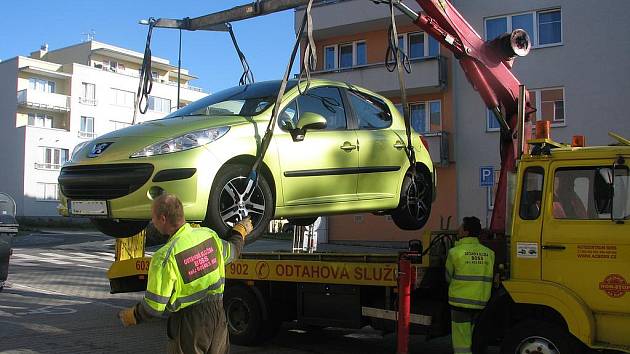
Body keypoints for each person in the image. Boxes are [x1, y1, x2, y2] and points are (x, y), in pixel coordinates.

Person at [118, 193, 253, 354]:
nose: (152, 222)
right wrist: (240, 230)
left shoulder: (165, 257)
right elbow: (233, 251)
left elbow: (154, 306)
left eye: (152, 218)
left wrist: (133, 315)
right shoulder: (208, 236)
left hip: (189, 324)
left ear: (163, 218)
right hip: (218, 318)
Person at [445, 216, 495, 354]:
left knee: (462, 342)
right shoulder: (489, 254)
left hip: (459, 304)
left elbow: (448, 277)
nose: (458, 229)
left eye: (461, 227)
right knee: (475, 339)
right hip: (480, 303)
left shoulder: (455, 253)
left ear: (466, 232)